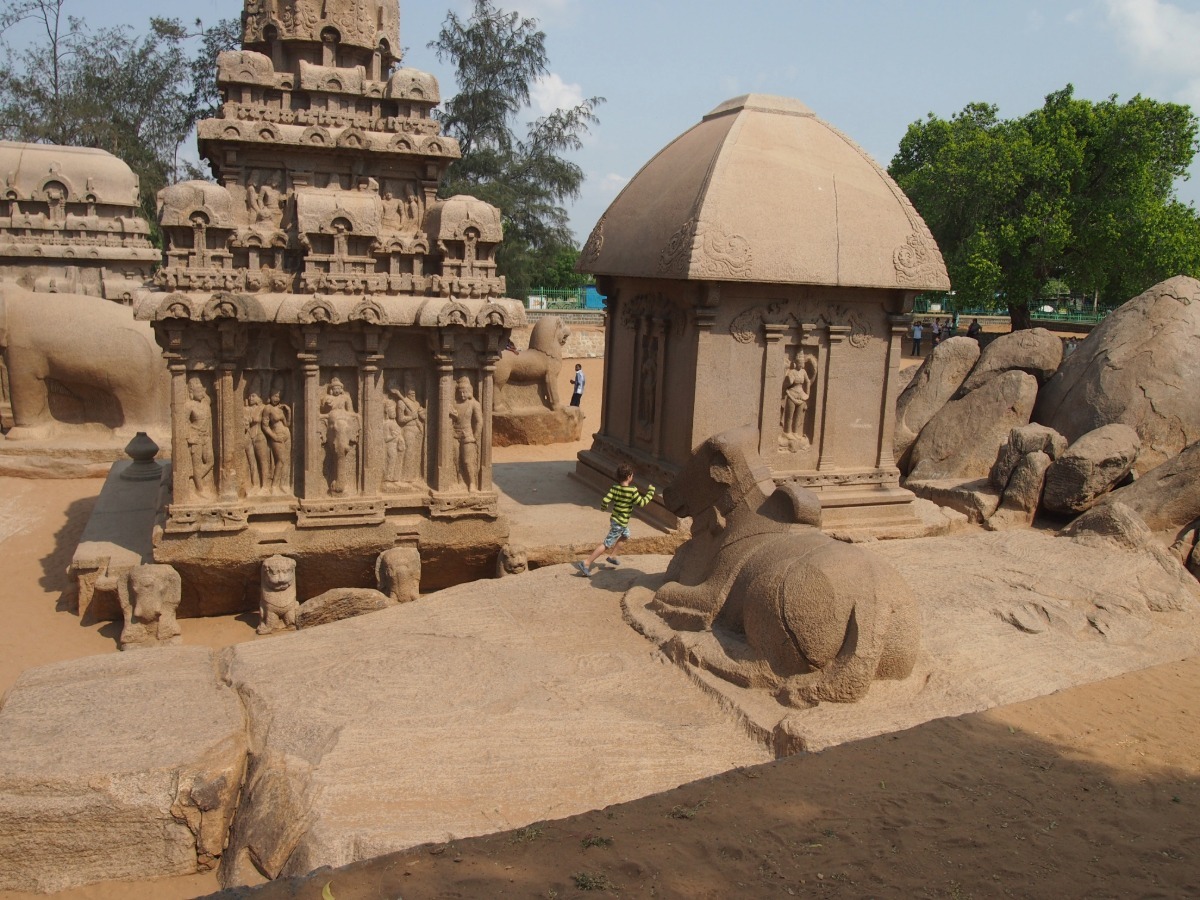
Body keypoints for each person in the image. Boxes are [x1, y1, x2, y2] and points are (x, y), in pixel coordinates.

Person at [575, 464, 655, 577]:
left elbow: (605, 499)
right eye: (632, 475)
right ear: (629, 477)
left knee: (626, 534)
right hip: (620, 523)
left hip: (615, 519)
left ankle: (612, 556)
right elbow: (642, 503)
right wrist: (651, 492)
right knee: (607, 543)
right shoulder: (632, 491)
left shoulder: (614, 488)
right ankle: (586, 563)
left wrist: (603, 507)